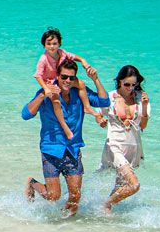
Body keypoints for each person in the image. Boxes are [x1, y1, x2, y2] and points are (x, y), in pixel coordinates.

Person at [23, 57, 110, 218]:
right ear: (57, 76)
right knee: (53, 196)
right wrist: (43, 94)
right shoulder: (47, 92)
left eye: (72, 77)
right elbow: (26, 114)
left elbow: (104, 101)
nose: (68, 80)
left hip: (73, 148)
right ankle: (32, 183)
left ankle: (67, 229)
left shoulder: (79, 92)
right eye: (64, 77)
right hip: (51, 149)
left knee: (75, 197)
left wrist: (95, 79)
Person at [30, 28, 96, 145]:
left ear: (59, 44)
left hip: (62, 79)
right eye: (48, 44)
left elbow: (75, 57)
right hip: (50, 82)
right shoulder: (43, 59)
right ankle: (65, 128)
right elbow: (38, 76)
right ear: (44, 45)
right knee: (56, 102)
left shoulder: (62, 53)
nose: (52, 46)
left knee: (81, 83)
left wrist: (84, 61)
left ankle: (87, 107)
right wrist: (46, 88)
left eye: (54, 43)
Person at [96, 65, 149, 212]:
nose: (130, 88)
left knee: (120, 186)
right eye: (127, 84)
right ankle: (106, 204)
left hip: (133, 147)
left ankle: (104, 215)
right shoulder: (110, 97)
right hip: (115, 146)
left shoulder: (141, 98)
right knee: (134, 185)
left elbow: (143, 125)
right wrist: (100, 121)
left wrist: (144, 106)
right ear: (119, 81)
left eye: (134, 84)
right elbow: (99, 113)